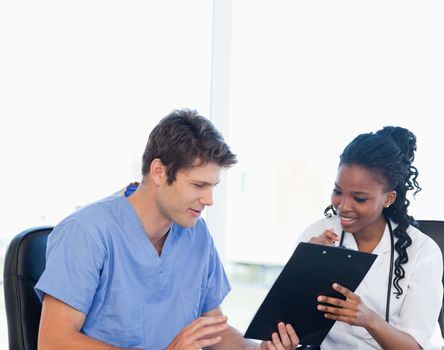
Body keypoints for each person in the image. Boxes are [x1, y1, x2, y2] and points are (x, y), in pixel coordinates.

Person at [35, 109, 300, 350]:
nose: (209, 200)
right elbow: (53, 342)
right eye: (198, 186)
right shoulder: (87, 232)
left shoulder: (196, 234)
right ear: (159, 172)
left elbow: (213, 330)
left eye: (212, 187)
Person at [298, 126, 444, 349]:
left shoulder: (423, 252)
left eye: (359, 198)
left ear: (389, 198)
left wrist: (369, 320)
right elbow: (288, 322)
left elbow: (414, 346)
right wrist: (304, 265)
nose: (343, 206)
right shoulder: (315, 236)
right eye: (338, 192)